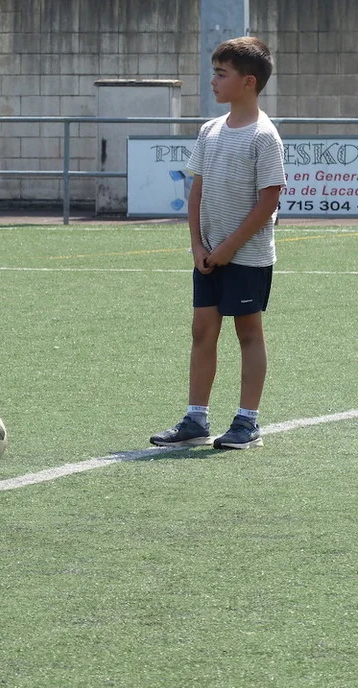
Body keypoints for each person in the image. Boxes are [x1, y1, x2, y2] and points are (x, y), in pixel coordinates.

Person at [150, 36, 286, 451]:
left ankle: (247, 422)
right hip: (208, 254)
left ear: (248, 82)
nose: (212, 81)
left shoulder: (265, 136)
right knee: (202, 331)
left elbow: (269, 200)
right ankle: (196, 419)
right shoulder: (210, 131)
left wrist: (229, 247)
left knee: (248, 332)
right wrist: (198, 246)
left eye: (221, 74)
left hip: (247, 255)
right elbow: (197, 192)